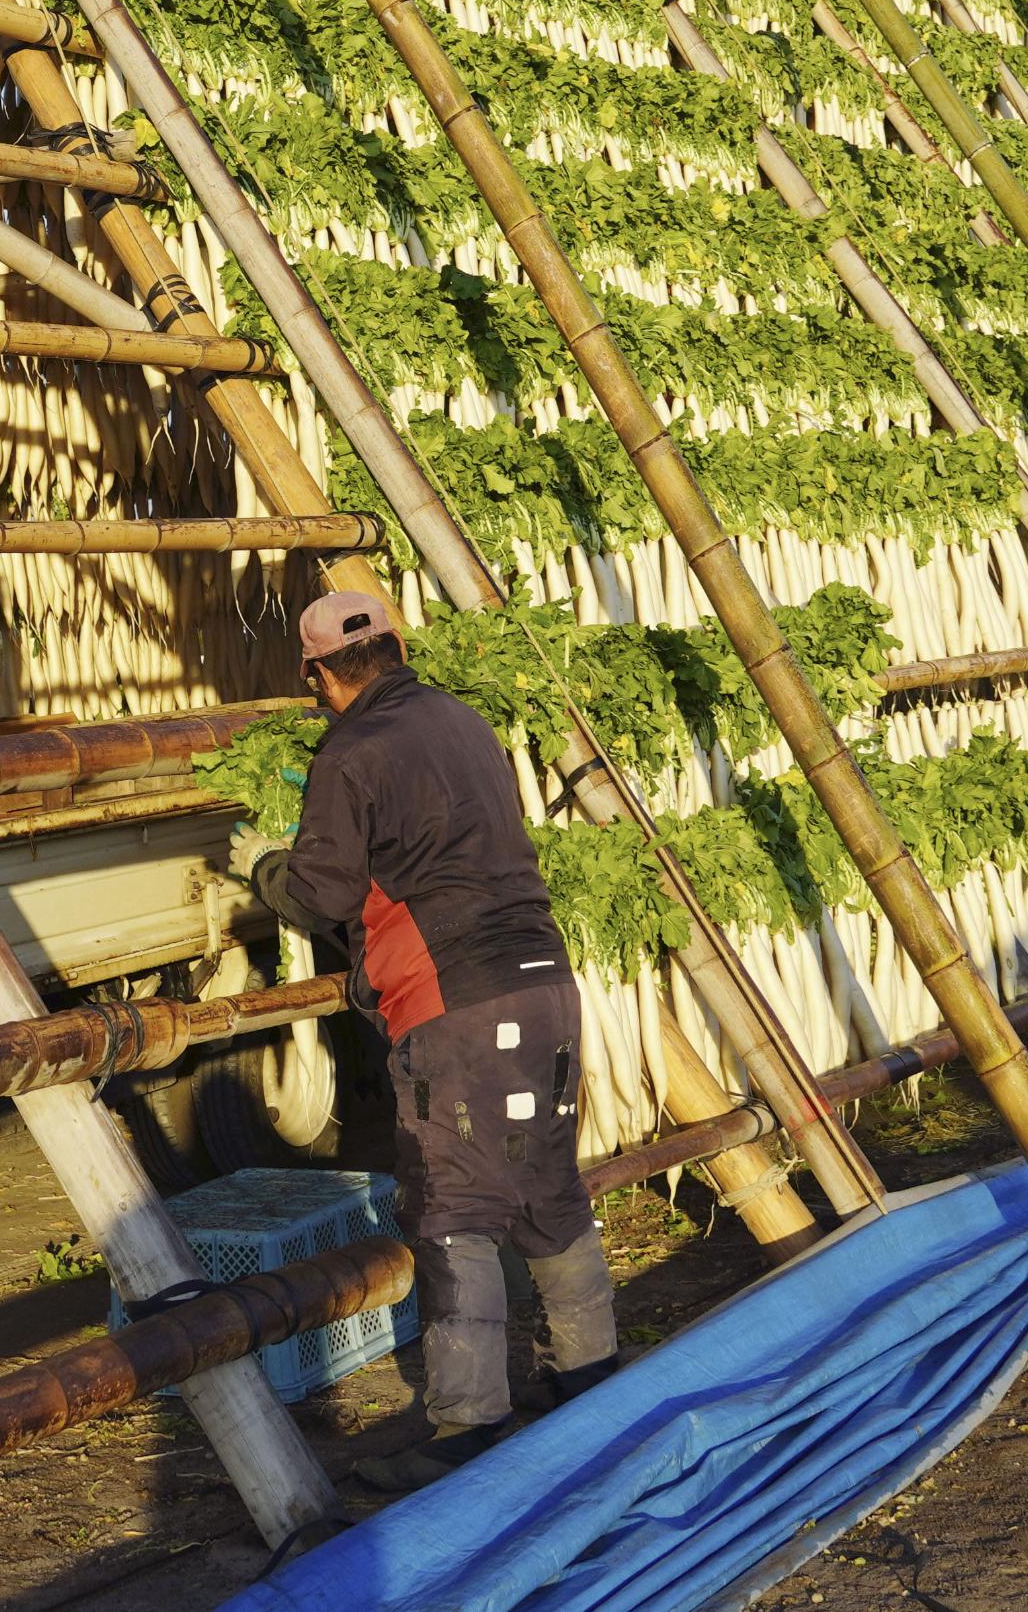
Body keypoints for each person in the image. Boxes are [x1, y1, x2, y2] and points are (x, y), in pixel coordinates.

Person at [250, 589, 618, 1493]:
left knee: (454, 1214)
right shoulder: (464, 719)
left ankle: (466, 1427)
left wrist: (267, 871)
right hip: (545, 988)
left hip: (453, 1006)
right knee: (547, 1186)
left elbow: (326, 893)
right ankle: (592, 1375)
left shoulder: (351, 752)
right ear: (398, 647)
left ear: (316, 675)